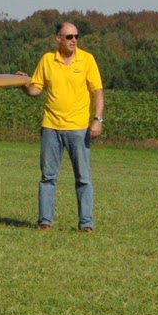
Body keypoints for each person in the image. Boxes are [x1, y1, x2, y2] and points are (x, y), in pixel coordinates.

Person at [19, 21, 104, 232]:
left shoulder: (87, 59)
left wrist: (98, 119)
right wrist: (23, 84)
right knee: (48, 177)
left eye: (76, 36)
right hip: (51, 127)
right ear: (58, 39)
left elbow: (97, 91)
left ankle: (86, 224)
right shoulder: (48, 60)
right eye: (69, 37)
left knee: (83, 178)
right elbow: (35, 90)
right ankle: (45, 222)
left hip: (78, 129)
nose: (74, 40)